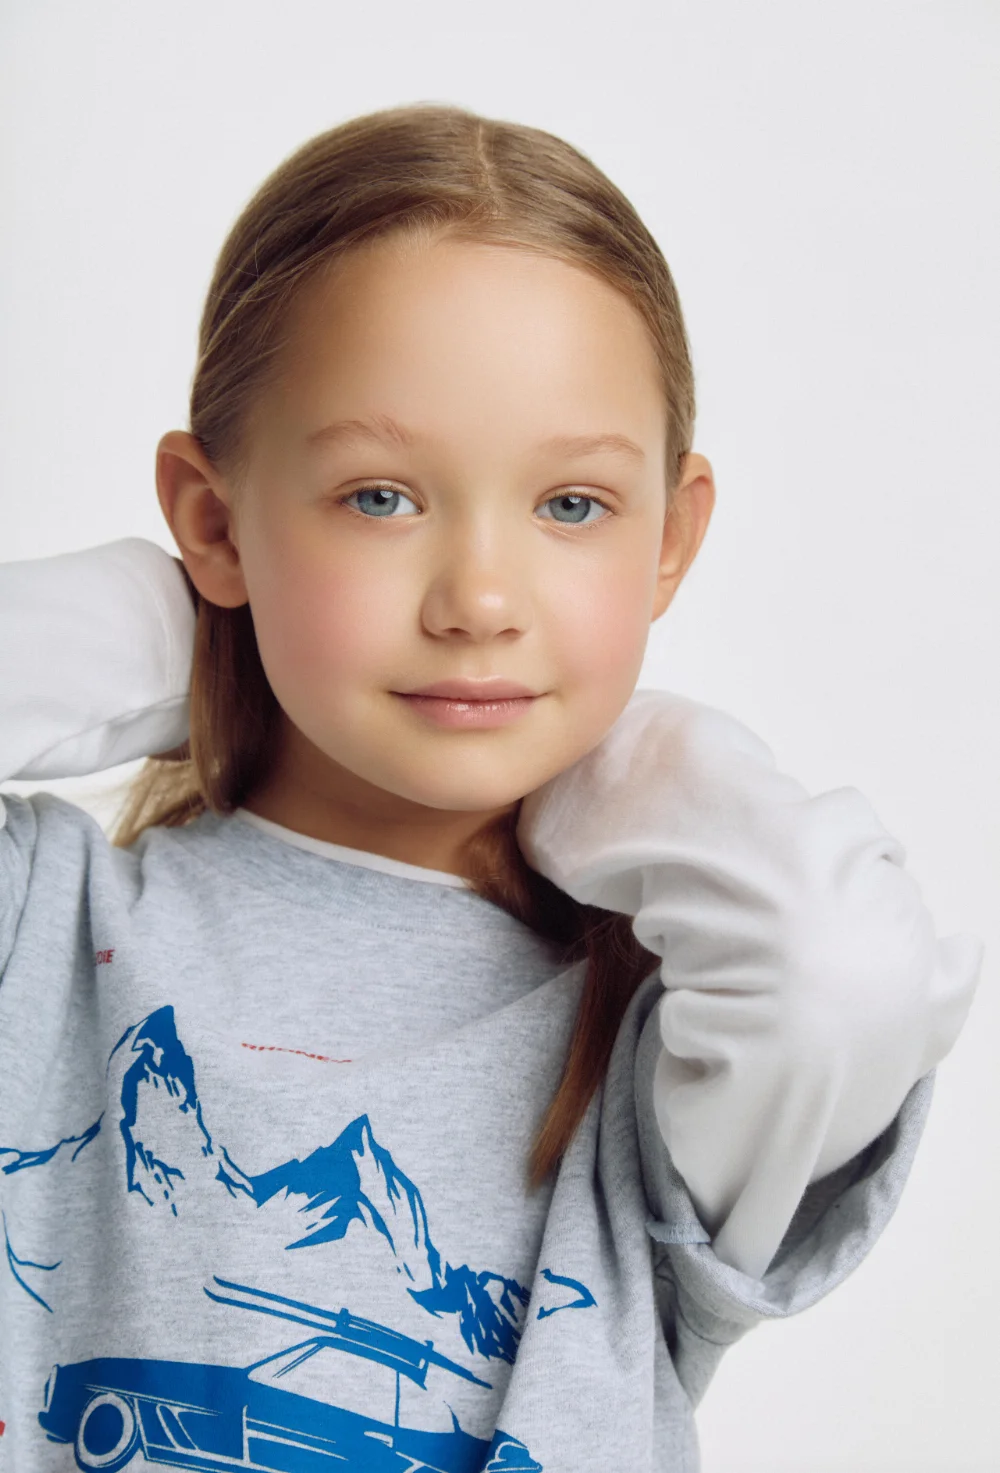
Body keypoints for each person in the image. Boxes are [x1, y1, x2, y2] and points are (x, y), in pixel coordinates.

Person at [0, 103, 983, 1473]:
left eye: (572, 506)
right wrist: (179, 635)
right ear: (216, 518)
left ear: (670, 540)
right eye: (380, 497)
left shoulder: (663, 1036)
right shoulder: (43, 925)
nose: (479, 599)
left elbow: (850, 972)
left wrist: (600, 775)